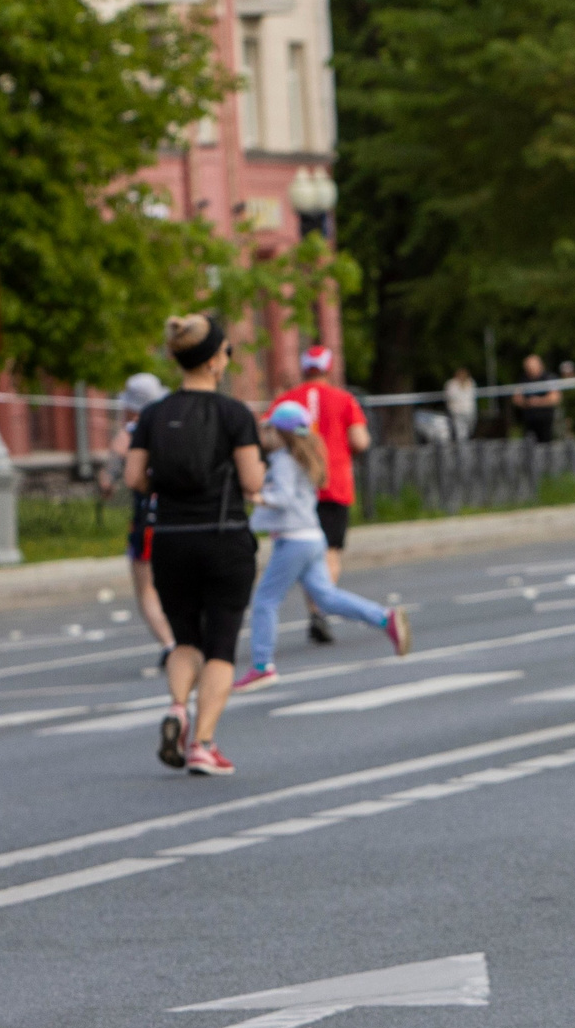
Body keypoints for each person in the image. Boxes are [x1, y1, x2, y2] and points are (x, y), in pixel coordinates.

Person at [126, 314, 264, 774]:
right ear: (212, 361)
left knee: (186, 637)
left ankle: (175, 708)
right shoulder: (233, 414)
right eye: (226, 352)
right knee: (220, 643)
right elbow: (250, 480)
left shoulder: (153, 415)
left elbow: (133, 478)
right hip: (223, 535)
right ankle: (203, 743)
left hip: (169, 540)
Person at [235, 402, 410, 689]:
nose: (266, 436)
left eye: (269, 430)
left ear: (281, 433)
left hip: (294, 541)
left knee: (266, 601)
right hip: (313, 538)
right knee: (326, 598)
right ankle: (385, 618)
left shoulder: (282, 461)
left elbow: (283, 498)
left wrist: (255, 496)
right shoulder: (302, 457)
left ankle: (262, 664)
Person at [278, 346, 369, 646]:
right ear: (329, 368)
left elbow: (267, 432)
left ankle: (315, 606)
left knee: (306, 550)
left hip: (296, 485)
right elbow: (360, 440)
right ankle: (321, 608)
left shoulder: (288, 399)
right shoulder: (344, 399)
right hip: (334, 482)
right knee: (329, 552)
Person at [99, 370, 176, 664]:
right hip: (179, 514)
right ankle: (187, 638)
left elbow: (111, 478)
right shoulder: (173, 425)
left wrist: (108, 479)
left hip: (148, 517)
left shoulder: (131, 432)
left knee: (146, 587)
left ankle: (170, 644)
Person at [513, 352, 561, 444]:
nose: (530, 370)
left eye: (532, 367)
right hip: (529, 421)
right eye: (528, 368)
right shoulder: (523, 379)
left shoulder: (549, 378)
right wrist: (527, 402)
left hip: (546, 421)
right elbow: (516, 398)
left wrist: (538, 402)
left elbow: (556, 397)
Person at [443, 367, 478, 442]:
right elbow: (450, 396)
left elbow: (472, 396)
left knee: (470, 429)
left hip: (469, 411)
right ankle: (463, 449)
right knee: (461, 432)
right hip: (457, 411)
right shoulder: (451, 384)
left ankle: (466, 444)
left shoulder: (470, 382)